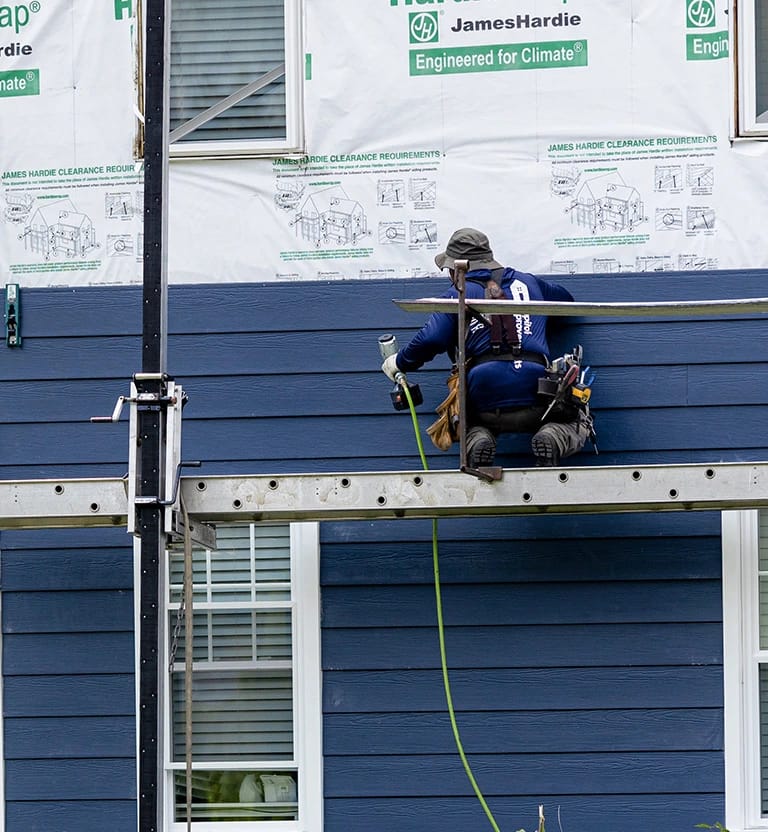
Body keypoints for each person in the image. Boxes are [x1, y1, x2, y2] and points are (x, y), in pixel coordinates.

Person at [381, 227, 591, 468]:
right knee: (575, 416)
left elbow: (432, 339)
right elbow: (567, 302)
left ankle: (478, 440)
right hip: (539, 391)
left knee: (466, 419)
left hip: (484, 397)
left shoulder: (458, 293)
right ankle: (553, 437)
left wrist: (399, 362)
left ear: (455, 269)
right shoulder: (529, 282)